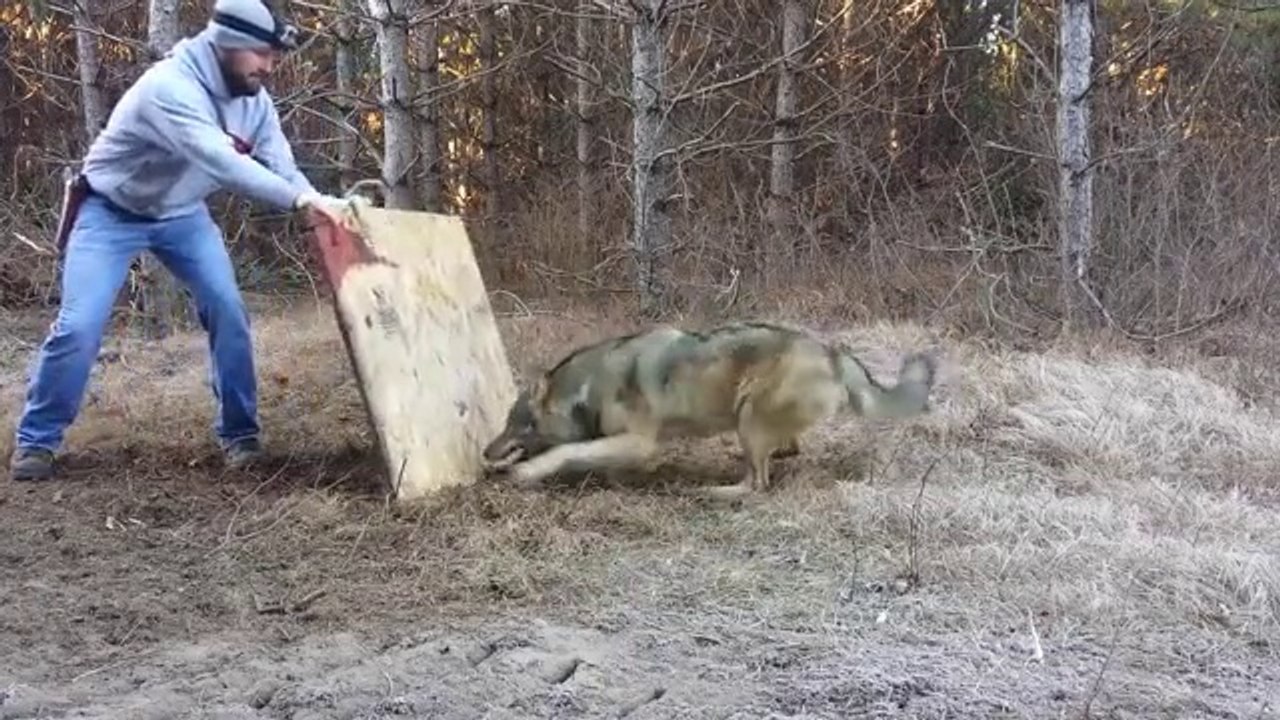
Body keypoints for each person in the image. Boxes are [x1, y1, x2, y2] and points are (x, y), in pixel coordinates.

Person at [8, 0, 351, 481]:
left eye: (274, 56)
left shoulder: (255, 100)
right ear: (227, 44)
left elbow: (283, 167)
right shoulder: (168, 88)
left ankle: (241, 436)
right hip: (110, 211)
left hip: (183, 216)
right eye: (261, 54)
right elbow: (224, 163)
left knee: (228, 308)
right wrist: (299, 201)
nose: (270, 67)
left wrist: (322, 203)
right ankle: (36, 441)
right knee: (80, 325)